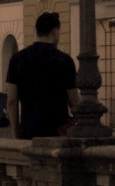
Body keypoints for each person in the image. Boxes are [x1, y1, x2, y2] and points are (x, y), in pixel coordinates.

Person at [5, 11, 78, 139]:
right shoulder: (65, 61)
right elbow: (74, 101)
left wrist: (16, 135)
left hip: (29, 133)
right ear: (55, 31)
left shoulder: (17, 59)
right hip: (58, 133)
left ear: (37, 31)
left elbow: (12, 101)